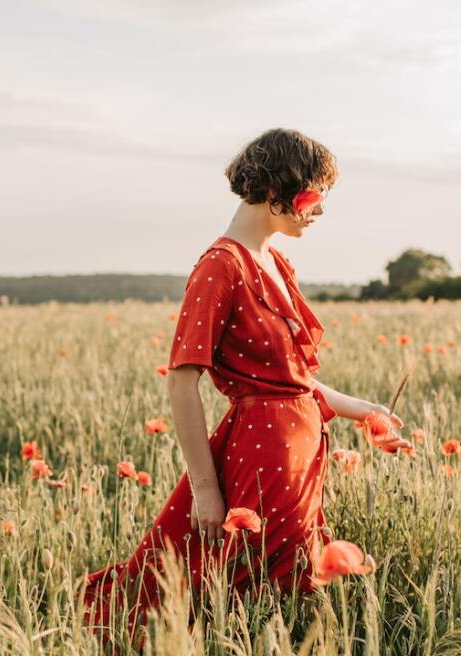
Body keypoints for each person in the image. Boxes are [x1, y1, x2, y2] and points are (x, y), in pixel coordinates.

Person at [81, 128, 407, 649]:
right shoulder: (220, 268)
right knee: (243, 590)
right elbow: (184, 382)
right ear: (280, 188)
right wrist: (206, 489)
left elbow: (294, 382)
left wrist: (365, 410)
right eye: (316, 193)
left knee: (289, 590)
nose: (320, 208)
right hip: (260, 455)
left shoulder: (276, 263)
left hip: (301, 454)